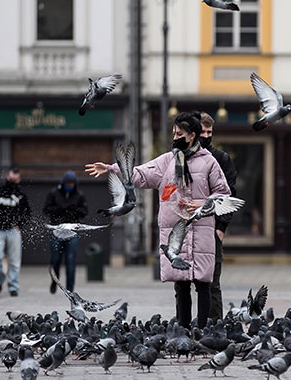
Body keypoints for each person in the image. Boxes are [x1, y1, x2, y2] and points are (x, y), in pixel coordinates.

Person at [86, 112, 230, 328]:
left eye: (179, 133)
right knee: (181, 285)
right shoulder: (167, 161)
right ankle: (182, 329)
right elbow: (140, 174)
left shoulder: (209, 162)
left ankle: (202, 330)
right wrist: (111, 169)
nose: (175, 137)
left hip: (200, 229)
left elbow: (223, 193)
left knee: (203, 284)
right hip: (176, 233)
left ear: (192, 136)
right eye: (174, 133)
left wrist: (202, 204)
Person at [198, 112, 237, 321]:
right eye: (202, 131)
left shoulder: (221, 159)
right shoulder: (181, 158)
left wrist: (221, 227)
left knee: (213, 283)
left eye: (209, 132)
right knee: (183, 284)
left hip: (213, 228)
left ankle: (214, 328)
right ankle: (186, 327)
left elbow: (230, 195)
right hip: (190, 227)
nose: (206, 135)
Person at [0, 167, 31, 297]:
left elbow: (27, 213)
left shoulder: (20, 194)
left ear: (19, 179)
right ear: (8, 176)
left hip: (13, 230)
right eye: (11, 177)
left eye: (15, 178)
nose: (13, 180)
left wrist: (20, 224)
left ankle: (13, 286)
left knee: (15, 260)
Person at [43, 170, 88, 294]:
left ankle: (70, 289)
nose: (70, 186)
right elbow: (46, 210)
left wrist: (74, 210)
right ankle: (55, 280)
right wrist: (60, 209)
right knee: (55, 259)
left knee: (70, 259)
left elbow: (84, 212)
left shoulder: (79, 195)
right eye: (68, 184)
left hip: (72, 232)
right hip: (57, 231)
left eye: (72, 184)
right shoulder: (53, 194)